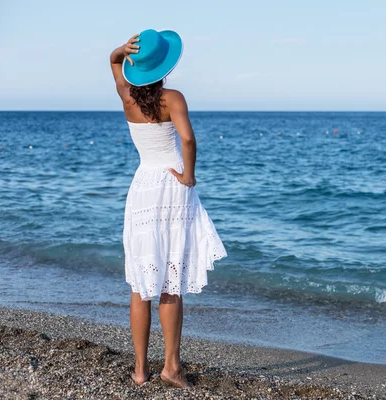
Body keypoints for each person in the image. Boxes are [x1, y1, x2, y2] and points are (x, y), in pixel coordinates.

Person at [110, 29, 228, 389]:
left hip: (143, 187)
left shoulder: (125, 94)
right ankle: (171, 367)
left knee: (140, 283)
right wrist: (189, 176)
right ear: (164, 65)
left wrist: (120, 50)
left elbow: (113, 61)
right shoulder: (172, 97)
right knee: (169, 282)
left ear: (135, 65)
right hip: (172, 189)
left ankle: (141, 370)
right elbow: (188, 139)